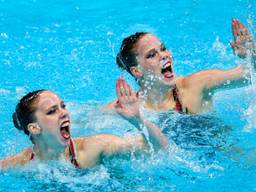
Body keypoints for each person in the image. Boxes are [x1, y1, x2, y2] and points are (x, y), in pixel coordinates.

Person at [105, 18, 255, 114]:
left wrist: (251, 55)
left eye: (163, 49)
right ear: (137, 71)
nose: (164, 55)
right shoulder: (127, 107)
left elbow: (250, 75)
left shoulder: (195, 85)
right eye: (152, 54)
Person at [0, 88, 168, 169]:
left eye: (62, 106)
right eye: (52, 111)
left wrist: (138, 120)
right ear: (34, 128)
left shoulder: (93, 148)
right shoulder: (22, 163)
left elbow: (159, 148)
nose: (64, 113)